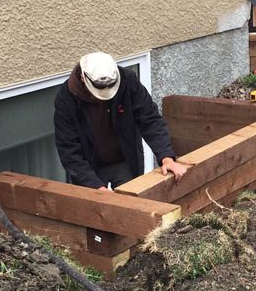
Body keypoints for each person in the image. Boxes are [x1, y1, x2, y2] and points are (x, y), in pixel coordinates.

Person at [54, 52, 189, 190]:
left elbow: (150, 120)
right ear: (83, 77)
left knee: (131, 204)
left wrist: (166, 157)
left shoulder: (128, 81)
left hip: (124, 159)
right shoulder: (66, 99)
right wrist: (96, 187)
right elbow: (68, 149)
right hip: (89, 166)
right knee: (96, 208)